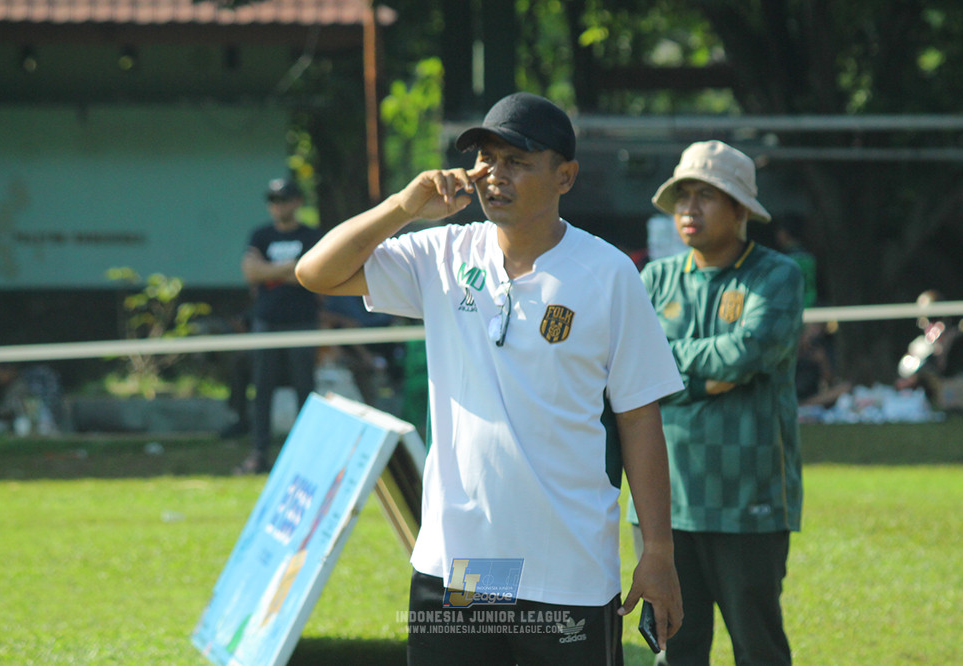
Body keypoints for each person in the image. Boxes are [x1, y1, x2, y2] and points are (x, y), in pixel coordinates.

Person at [295, 92, 685, 665]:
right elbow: (316, 272)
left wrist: (658, 549)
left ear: (565, 176)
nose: (494, 176)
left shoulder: (607, 273)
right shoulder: (443, 253)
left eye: (518, 162)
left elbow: (638, 415)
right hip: (460, 566)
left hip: (566, 569)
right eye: (488, 160)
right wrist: (405, 206)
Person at [629, 140, 804, 665]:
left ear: (741, 208)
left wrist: (669, 369)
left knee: (758, 647)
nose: (689, 208)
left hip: (748, 501)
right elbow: (633, 372)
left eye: (707, 196)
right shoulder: (654, 279)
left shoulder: (777, 275)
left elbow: (748, 353)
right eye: (683, 195)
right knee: (673, 648)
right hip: (664, 502)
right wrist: (711, 377)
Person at [236, 178, 323, 474]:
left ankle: (306, 455)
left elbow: (313, 275)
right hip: (266, 322)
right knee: (262, 388)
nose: (278, 205)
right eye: (273, 200)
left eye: (284, 199)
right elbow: (250, 272)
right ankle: (259, 453)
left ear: (297, 201)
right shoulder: (260, 234)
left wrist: (269, 272)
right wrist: (291, 268)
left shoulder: (311, 235)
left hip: (302, 321)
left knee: (305, 388)